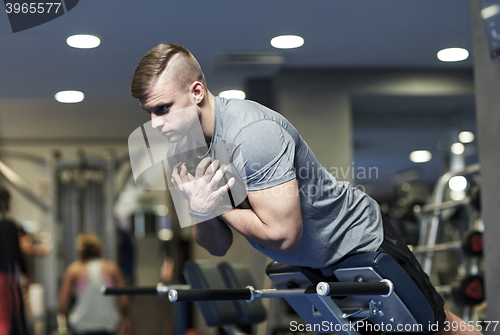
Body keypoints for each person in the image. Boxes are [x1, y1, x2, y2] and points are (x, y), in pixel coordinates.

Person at [130, 43, 480, 335]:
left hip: (356, 239)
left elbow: (284, 235)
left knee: (436, 327)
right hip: (311, 261)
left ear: (196, 92)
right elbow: (216, 245)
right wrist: (202, 209)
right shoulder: (183, 151)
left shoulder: (253, 135)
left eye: (163, 109)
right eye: (149, 113)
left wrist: (217, 207)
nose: (155, 125)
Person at [58, 233, 130, 335]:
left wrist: (65, 320)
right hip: (108, 325)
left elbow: (63, 303)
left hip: (80, 326)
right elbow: (124, 300)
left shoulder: (74, 270)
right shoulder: (111, 269)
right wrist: (124, 318)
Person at [0, 187, 28, 335]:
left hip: (5, 277)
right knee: (7, 318)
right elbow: (17, 254)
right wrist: (26, 274)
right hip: (4, 278)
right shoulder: (8, 226)